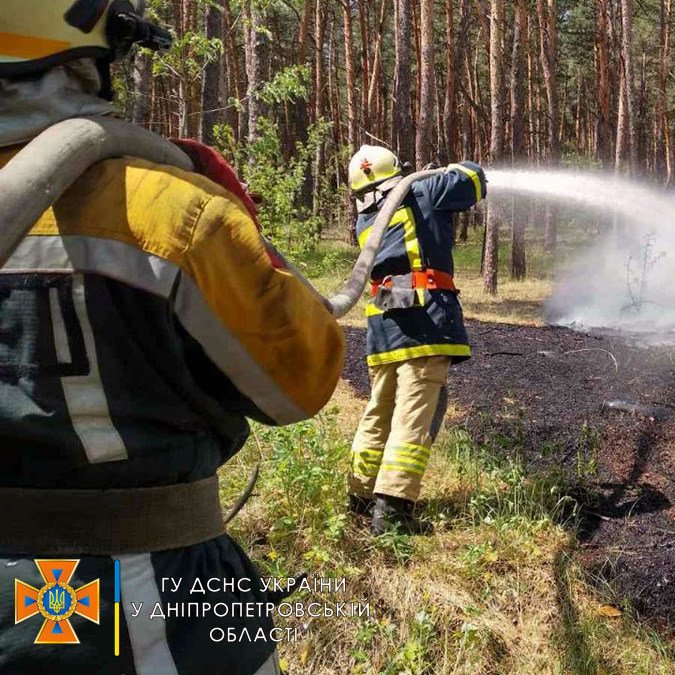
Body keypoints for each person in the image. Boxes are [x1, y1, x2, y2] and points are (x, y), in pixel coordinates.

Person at [0, 2, 344, 673]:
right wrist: (236, 224)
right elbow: (302, 380)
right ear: (80, 60)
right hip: (150, 599)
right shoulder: (168, 210)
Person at [345, 145, 485, 535]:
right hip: (424, 325)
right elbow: (474, 179)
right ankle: (392, 515)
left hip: (384, 333)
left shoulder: (366, 219)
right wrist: (443, 171)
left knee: (379, 413)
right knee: (412, 419)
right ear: (400, 172)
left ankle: (358, 497)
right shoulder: (421, 192)